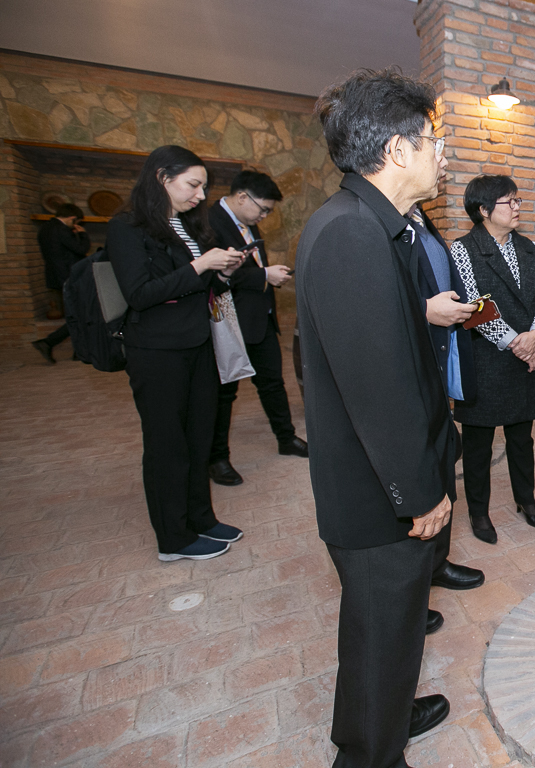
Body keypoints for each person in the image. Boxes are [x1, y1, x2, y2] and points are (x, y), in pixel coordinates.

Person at [297, 68, 458, 767]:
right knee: (380, 630)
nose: (442, 155)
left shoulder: (371, 225)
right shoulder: (351, 234)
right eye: (433, 141)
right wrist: (418, 493)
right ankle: (369, 752)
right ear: (397, 149)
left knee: (382, 633)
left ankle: (383, 715)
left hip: (378, 481)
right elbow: (377, 391)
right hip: (376, 493)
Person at [110, 145, 247, 562]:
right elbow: (140, 293)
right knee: (167, 445)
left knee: (198, 438)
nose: (200, 195)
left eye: (203, 187)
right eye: (193, 185)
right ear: (161, 178)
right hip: (156, 351)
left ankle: (200, 518)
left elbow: (197, 287)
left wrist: (222, 272)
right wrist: (201, 266)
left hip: (196, 343)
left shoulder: (184, 225)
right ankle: (173, 539)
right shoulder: (127, 227)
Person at [449, 175, 535, 544]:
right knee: (478, 444)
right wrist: (517, 343)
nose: (517, 207)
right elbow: (474, 307)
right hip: (486, 360)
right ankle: (479, 511)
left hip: (526, 356)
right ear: (483, 210)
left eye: (518, 200)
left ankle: (526, 500)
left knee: (521, 438)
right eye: (509, 202)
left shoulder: (530, 248)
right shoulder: (463, 250)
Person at [404, 197, 487, 590]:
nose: (442, 166)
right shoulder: (378, 223)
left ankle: (437, 563)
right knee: (416, 472)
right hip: (413, 359)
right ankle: (414, 578)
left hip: (438, 358)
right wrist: (424, 310)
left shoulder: (419, 217)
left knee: (441, 464)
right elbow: (377, 299)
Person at [205, 170, 307, 486]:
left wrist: (267, 276)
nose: (264, 216)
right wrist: (263, 275)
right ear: (241, 197)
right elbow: (214, 275)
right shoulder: (209, 222)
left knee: (272, 383)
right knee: (225, 393)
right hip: (229, 321)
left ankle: (286, 438)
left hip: (259, 318)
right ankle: (217, 458)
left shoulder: (246, 222)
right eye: (262, 209)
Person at [31, 203, 91, 363]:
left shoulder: (45, 228)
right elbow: (81, 250)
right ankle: (49, 342)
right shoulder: (62, 230)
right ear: (72, 218)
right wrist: (82, 235)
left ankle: (78, 351)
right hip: (68, 277)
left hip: (55, 277)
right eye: (77, 222)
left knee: (77, 314)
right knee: (81, 314)